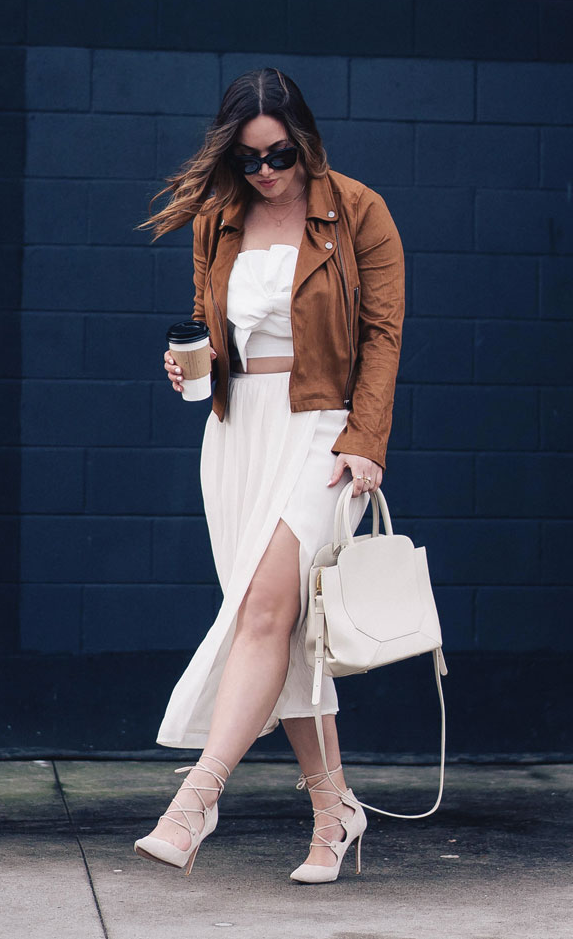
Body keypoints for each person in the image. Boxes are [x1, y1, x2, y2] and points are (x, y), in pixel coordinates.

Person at [132, 66, 404, 883]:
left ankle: (197, 800)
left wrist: (366, 438)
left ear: (305, 140)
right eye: (249, 158)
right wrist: (196, 366)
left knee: (263, 612)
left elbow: (383, 335)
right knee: (279, 628)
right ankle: (335, 811)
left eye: (279, 154)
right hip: (237, 432)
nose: (265, 172)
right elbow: (217, 328)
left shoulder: (357, 210)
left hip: (322, 432)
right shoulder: (218, 216)